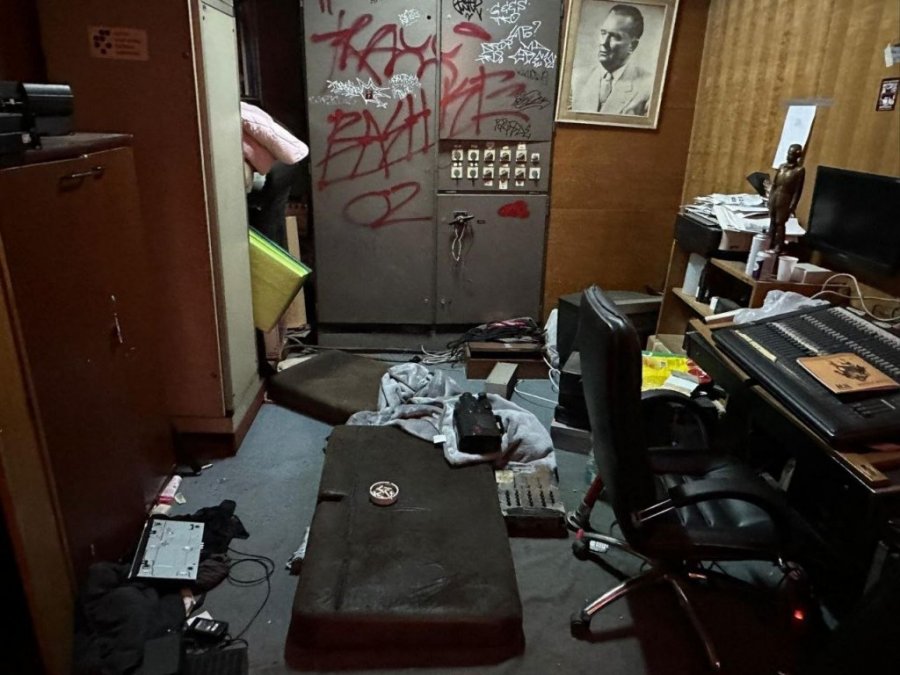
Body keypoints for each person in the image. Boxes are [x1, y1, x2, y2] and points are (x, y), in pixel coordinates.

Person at [572, 3, 653, 115]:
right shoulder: (576, 77)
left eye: (615, 36)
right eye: (603, 33)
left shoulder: (649, 87)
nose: (603, 42)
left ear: (632, 45)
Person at [766, 143, 805, 253]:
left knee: (780, 223)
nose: (788, 156)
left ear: (797, 156)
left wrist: (793, 205)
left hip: (785, 199)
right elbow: (774, 184)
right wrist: (770, 198)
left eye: (791, 154)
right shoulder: (782, 167)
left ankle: (779, 245)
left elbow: (798, 190)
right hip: (775, 196)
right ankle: (769, 242)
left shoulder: (799, 171)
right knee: (772, 221)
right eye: (788, 153)